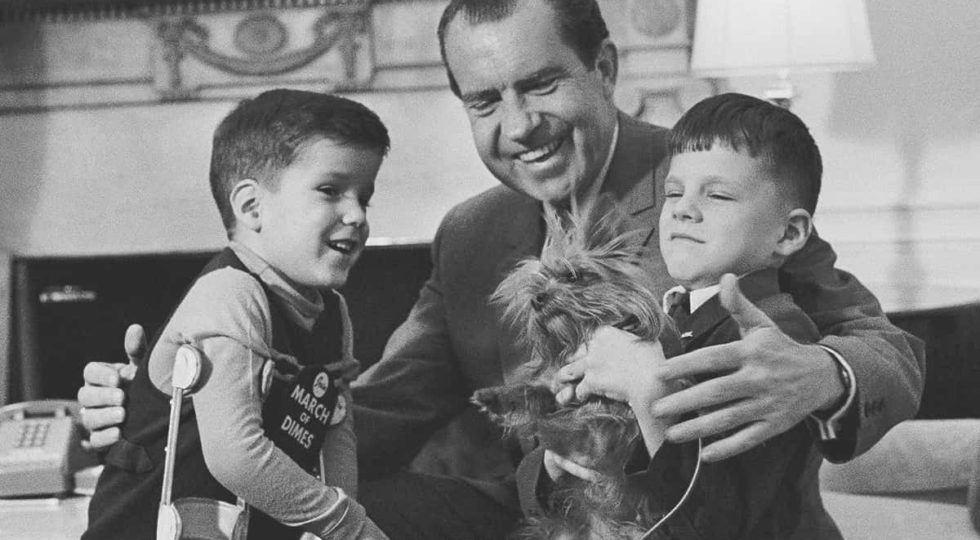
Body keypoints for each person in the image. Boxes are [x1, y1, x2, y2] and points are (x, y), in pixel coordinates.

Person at [78, 1, 925, 538]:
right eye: (485, 102)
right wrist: (175, 415)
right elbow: (377, 408)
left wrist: (823, 374)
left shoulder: (712, 182)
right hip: (529, 517)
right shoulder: (472, 233)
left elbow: (884, 345)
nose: (518, 126)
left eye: (541, 84)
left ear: (603, 69)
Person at [82, 89, 389, 539]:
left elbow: (334, 431)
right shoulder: (231, 292)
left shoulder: (332, 312)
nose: (357, 214)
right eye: (331, 191)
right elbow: (236, 457)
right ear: (250, 207)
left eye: (365, 196)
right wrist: (352, 528)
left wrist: (336, 524)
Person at [543, 92, 847, 538]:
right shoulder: (665, 321)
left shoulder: (777, 336)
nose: (683, 208)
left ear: (790, 232)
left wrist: (649, 389)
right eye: (672, 192)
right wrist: (575, 451)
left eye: (719, 194)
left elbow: (717, 522)